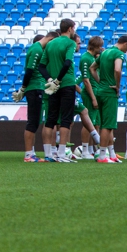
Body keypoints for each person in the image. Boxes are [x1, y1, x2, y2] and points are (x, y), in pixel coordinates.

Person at [37, 19, 78, 163]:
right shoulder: (70, 43)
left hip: (52, 86)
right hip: (66, 83)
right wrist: (59, 80)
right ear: (70, 29)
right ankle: (61, 154)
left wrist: (50, 80)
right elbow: (67, 62)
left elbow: (41, 66)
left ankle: (49, 154)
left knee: (50, 119)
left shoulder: (51, 43)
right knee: (66, 119)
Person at [13, 31, 58, 162]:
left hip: (36, 88)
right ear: (50, 39)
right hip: (34, 88)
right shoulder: (37, 50)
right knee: (33, 121)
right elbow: (29, 70)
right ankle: (28, 154)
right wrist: (23, 88)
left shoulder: (38, 49)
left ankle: (31, 153)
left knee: (36, 121)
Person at [90, 35, 127, 164]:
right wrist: (117, 86)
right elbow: (117, 69)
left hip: (100, 91)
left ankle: (111, 154)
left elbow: (92, 68)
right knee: (107, 126)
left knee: (106, 124)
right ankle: (103, 155)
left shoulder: (105, 52)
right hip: (109, 92)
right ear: (124, 44)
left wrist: (100, 82)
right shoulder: (119, 54)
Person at [78, 35, 103, 159]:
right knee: (88, 122)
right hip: (89, 93)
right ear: (96, 46)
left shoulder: (93, 58)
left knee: (96, 123)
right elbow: (86, 80)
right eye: (100, 46)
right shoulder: (85, 58)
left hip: (96, 92)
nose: (101, 48)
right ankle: (84, 150)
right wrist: (92, 98)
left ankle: (94, 149)